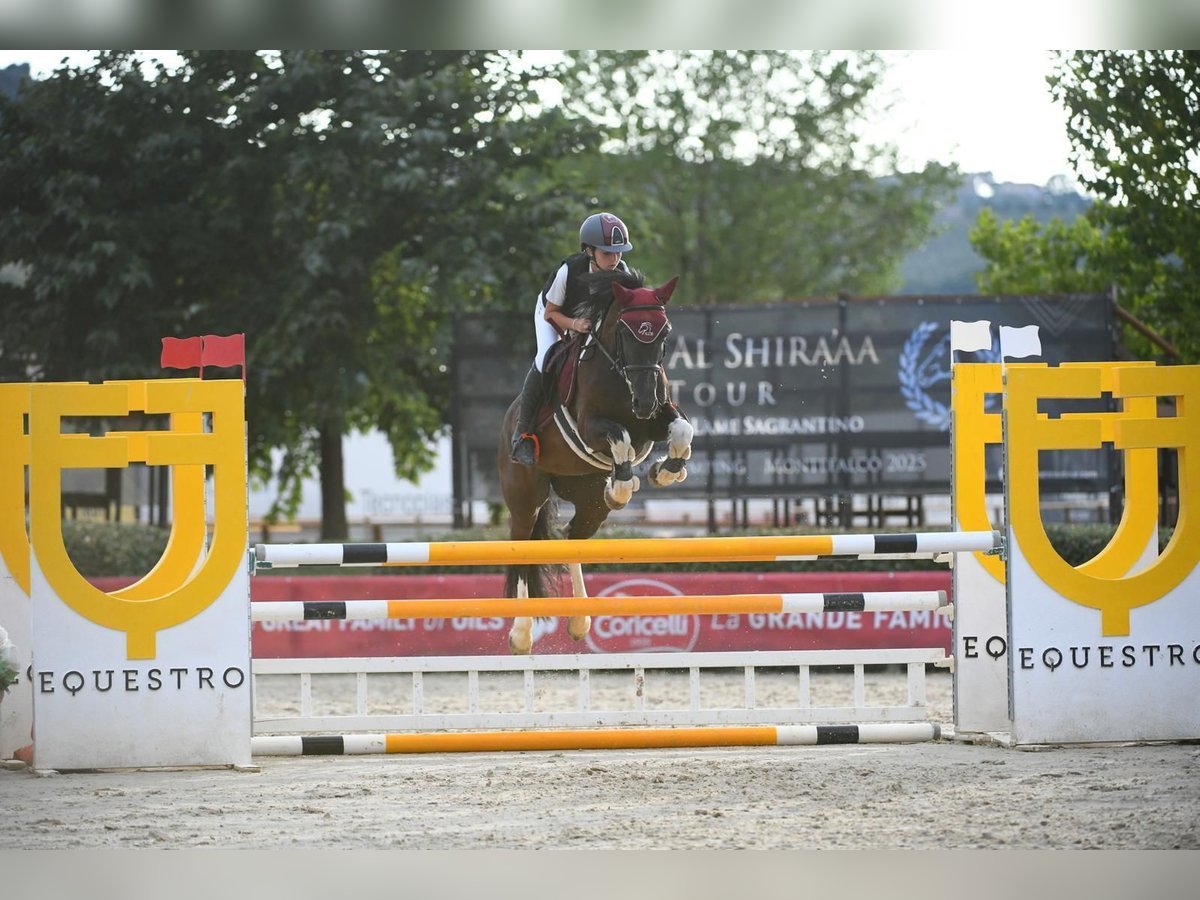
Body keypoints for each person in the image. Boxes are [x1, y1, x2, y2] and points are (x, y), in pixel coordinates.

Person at [509, 211, 634, 465]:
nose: (615, 259)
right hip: (554, 312)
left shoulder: (622, 273)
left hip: (589, 319)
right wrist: (574, 324)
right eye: (607, 253)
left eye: (619, 252)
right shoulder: (568, 271)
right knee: (545, 357)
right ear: (589, 251)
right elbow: (552, 313)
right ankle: (523, 434)